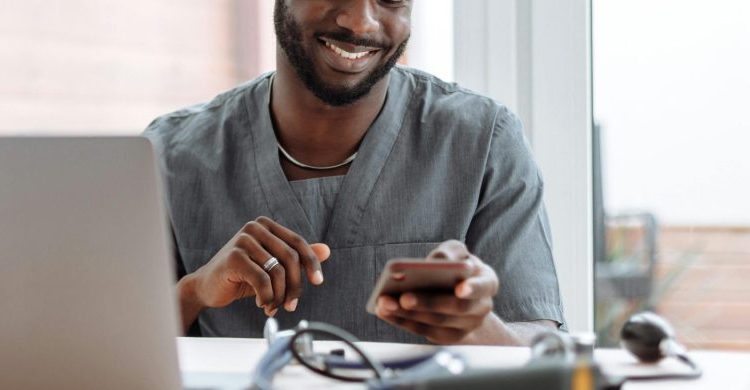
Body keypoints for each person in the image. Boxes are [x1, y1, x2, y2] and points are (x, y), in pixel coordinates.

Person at [142, 0, 564, 345]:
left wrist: (478, 326)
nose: (359, 20)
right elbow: (99, 350)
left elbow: (543, 344)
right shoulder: (170, 156)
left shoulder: (483, 140)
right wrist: (194, 292)